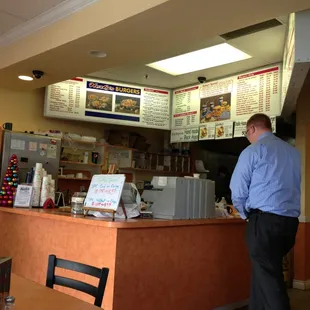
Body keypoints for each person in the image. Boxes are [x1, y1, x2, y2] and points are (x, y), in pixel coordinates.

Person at [230, 113, 300, 310]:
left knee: (269, 278)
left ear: (252, 129)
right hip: (290, 223)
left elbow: (238, 189)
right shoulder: (293, 152)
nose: (247, 136)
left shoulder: (253, 150)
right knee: (263, 272)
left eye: (246, 133)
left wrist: (245, 214)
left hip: (264, 222)